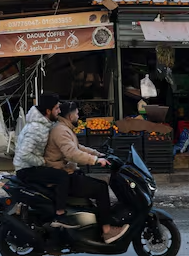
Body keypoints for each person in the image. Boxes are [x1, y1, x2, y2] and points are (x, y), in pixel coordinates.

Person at [45, 101, 128, 244]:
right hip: (62, 175)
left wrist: (98, 155)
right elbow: (72, 153)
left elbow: (78, 147)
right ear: (70, 116)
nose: (79, 116)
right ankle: (107, 231)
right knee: (101, 187)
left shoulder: (65, 128)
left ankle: (92, 224)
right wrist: (95, 160)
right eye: (77, 113)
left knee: (92, 186)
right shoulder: (61, 131)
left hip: (68, 172)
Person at [12, 92, 74, 226]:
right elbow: (24, 154)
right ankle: (60, 214)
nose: (59, 111)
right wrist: (42, 162)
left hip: (32, 166)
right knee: (62, 177)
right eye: (57, 108)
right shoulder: (35, 128)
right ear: (48, 111)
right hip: (26, 169)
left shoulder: (45, 124)